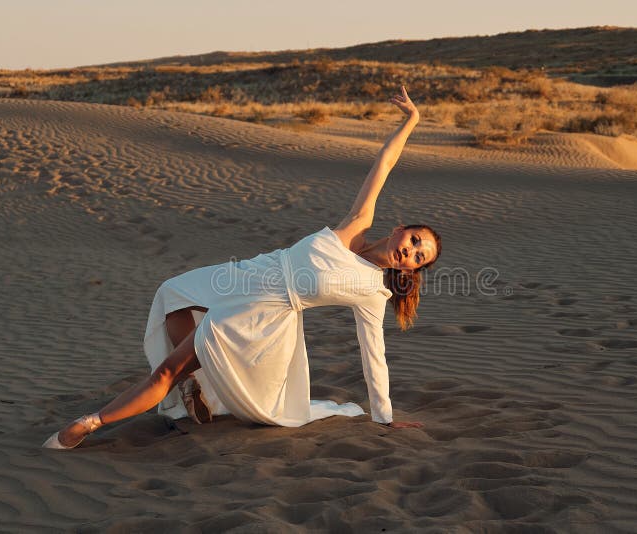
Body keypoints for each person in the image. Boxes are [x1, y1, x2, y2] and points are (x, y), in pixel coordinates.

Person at [43, 86, 442, 450]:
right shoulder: (356, 225)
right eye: (413, 241)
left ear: (411, 271)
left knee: (167, 370)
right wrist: (412, 121)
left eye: (419, 257)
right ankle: (196, 381)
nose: (411, 252)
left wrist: (385, 419)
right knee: (173, 294)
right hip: (251, 271)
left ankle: (88, 425)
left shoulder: (374, 292)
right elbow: (384, 164)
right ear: (399, 230)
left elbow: (375, 355)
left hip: (263, 311)